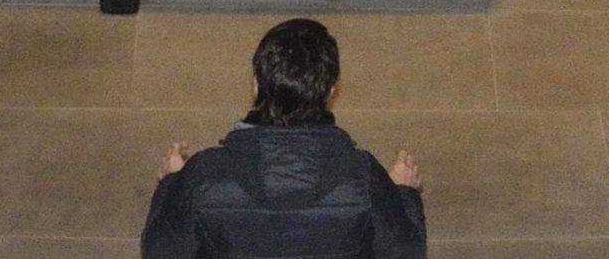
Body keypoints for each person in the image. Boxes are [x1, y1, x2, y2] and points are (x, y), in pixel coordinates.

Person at [143, 18, 425, 259]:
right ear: (329, 92)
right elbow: (407, 252)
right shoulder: (363, 177)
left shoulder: (203, 174)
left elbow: (160, 251)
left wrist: (171, 182)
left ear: (256, 85)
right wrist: (403, 192)